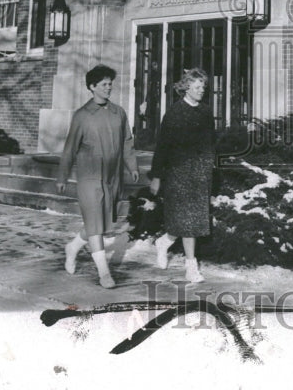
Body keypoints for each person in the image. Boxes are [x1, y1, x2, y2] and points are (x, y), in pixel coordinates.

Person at [56, 64, 139, 289]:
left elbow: (127, 142)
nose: (108, 88)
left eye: (110, 84)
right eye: (103, 84)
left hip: (112, 177)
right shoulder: (82, 116)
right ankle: (104, 273)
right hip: (89, 176)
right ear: (92, 87)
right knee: (95, 222)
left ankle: (72, 247)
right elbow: (70, 148)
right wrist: (62, 177)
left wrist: (132, 165)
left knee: (100, 224)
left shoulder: (118, 112)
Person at [149, 67, 215, 284]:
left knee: (188, 221)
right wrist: (157, 176)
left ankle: (164, 242)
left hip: (200, 173)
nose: (201, 90)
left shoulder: (205, 112)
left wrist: (210, 167)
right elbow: (163, 147)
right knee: (188, 221)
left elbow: (210, 143)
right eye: (196, 87)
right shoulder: (175, 113)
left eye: (203, 86)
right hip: (179, 173)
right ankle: (191, 267)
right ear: (186, 88)